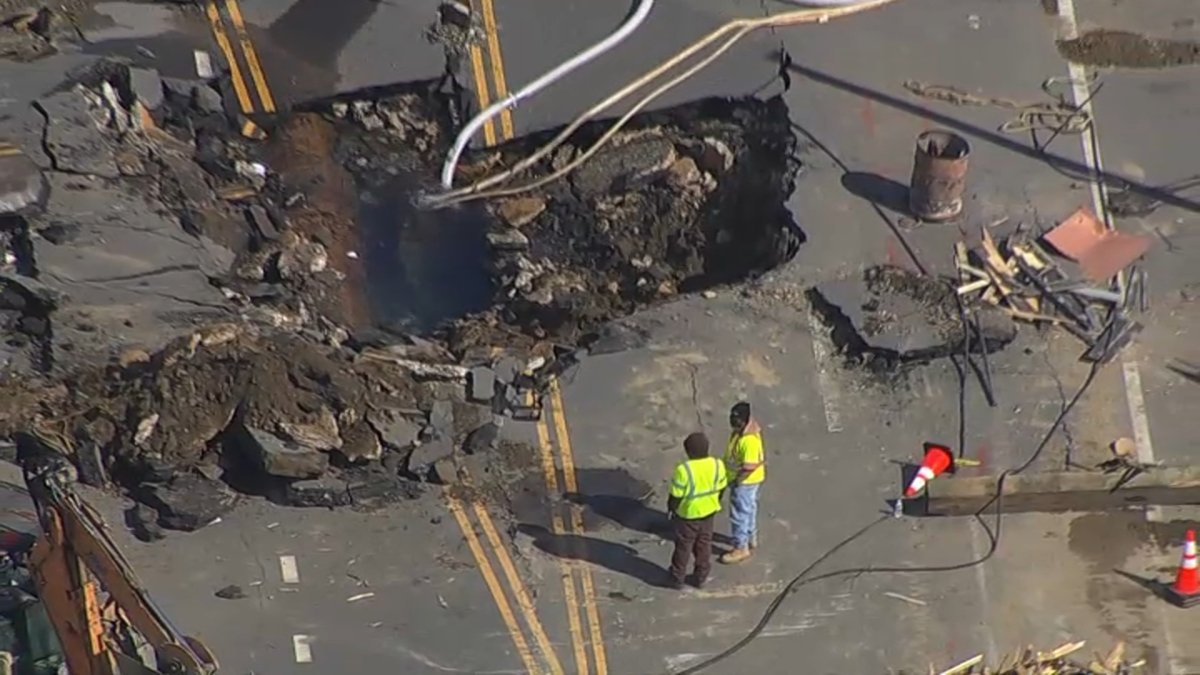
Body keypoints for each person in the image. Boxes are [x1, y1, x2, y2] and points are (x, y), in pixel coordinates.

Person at [666, 432, 728, 590]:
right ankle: (701, 576)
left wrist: (671, 509)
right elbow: (722, 487)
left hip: (689, 514)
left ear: (689, 452)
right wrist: (714, 502)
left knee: (684, 546)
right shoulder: (717, 465)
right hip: (709, 512)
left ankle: (677, 577)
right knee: (704, 544)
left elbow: (676, 496)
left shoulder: (684, 470)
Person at [720, 401, 765, 564]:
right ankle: (750, 537)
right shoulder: (744, 431)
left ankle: (741, 547)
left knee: (739, 513)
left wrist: (737, 479)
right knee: (749, 508)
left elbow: (749, 466)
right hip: (747, 480)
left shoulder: (749, 441)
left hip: (745, 482)